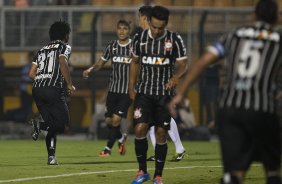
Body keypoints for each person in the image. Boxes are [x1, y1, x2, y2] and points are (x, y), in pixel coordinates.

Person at [168, 1, 281, 184]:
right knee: (272, 172)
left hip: (230, 110)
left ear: (254, 15)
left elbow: (204, 61)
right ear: (277, 17)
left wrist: (181, 92)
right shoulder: (278, 38)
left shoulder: (233, 35)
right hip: (263, 110)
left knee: (234, 174)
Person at [130, 5, 188, 184]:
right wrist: (131, 88)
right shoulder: (139, 37)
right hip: (144, 92)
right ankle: (142, 171)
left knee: (161, 132)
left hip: (164, 94)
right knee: (140, 129)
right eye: (153, 26)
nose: (156, 31)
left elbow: (183, 64)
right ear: (148, 21)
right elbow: (135, 62)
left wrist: (176, 77)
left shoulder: (174, 39)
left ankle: (158, 176)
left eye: (160, 28)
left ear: (166, 25)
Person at [28, 20, 75, 165]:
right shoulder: (64, 46)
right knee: (63, 123)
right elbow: (62, 62)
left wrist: (43, 79)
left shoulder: (41, 50)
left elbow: (31, 74)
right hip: (53, 88)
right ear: (66, 35)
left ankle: (51, 157)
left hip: (37, 89)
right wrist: (69, 84)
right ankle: (39, 125)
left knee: (52, 123)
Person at [83, 20, 132, 157]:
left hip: (127, 91)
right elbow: (100, 63)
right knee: (109, 121)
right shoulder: (112, 46)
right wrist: (90, 69)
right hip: (113, 90)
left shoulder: (135, 47)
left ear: (129, 30)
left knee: (116, 120)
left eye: (125, 28)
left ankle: (107, 149)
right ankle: (121, 138)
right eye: (119, 28)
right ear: (116, 30)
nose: (122, 31)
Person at [4, 51, 35, 123]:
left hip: (31, 91)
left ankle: (11, 114)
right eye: (31, 58)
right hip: (25, 91)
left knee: (27, 108)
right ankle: (10, 114)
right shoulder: (26, 67)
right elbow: (26, 79)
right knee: (25, 108)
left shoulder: (33, 67)